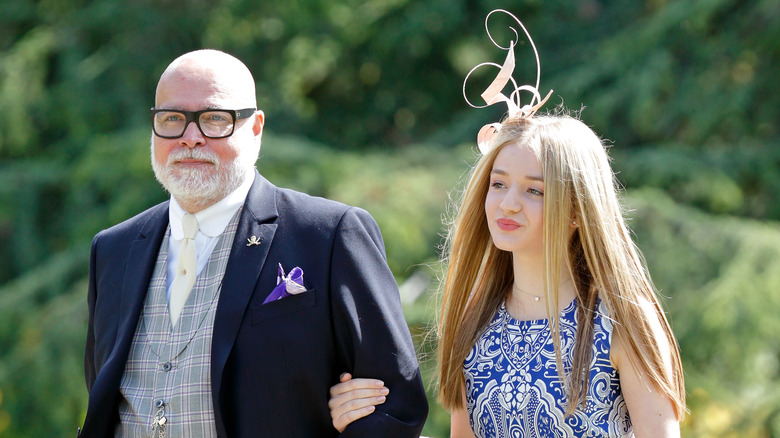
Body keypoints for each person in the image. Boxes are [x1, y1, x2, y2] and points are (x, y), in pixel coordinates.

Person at [327, 10, 686, 437]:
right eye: (498, 185)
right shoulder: (474, 320)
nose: (508, 205)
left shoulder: (623, 322)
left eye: (534, 190)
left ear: (576, 211)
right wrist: (365, 419)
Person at [79, 49, 428, 437]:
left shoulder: (329, 235)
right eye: (172, 119)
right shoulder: (112, 250)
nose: (190, 138)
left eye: (214, 119)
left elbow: (396, 409)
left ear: (256, 127)